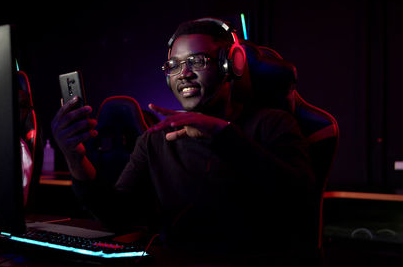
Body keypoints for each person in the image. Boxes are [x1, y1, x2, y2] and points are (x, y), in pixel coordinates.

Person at [51, 17, 316, 256]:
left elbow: (300, 200)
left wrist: (222, 134)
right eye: (174, 65)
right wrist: (75, 158)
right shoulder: (156, 139)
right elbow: (118, 216)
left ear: (229, 64)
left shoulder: (272, 124)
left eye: (197, 61)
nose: (184, 74)